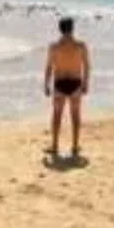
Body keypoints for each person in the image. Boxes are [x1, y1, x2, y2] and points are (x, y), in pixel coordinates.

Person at [44, 17, 91, 158]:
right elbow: (87, 66)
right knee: (75, 115)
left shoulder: (54, 47)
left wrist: (46, 84)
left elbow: (49, 67)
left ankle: (54, 146)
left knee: (56, 115)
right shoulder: (81, 46)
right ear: (72, 28)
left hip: (60, 83)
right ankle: (75, 147)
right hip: (76, 83)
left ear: (60, 29)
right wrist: (86, 83)